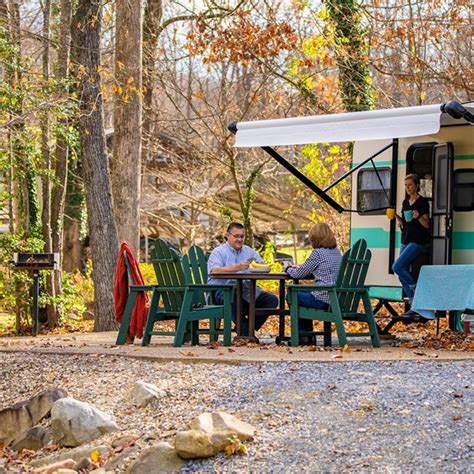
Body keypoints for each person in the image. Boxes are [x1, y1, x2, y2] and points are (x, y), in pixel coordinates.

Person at [207, 222, 278, 338]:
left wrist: (263, 268)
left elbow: (262, 265)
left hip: (245, 290)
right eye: (236, 236)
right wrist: (237, 268)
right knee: (233, 297)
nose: (239, 239)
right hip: (220, 291)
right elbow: (214, 271)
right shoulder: (218, 252)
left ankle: (246, 328)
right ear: (227, 235)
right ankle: (246, 333)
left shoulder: (249, 251)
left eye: (242, 236)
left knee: (271, 300)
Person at [284, 223, 342, 344]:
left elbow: (298, 274)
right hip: (337, 298)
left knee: (292, 295)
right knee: (301, 292)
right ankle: (307, 336)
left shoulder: (318, 253)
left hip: (323, 300)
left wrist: (288, 268)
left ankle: (302, 336)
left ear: (315, 239)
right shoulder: (337, 253)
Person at [392, 173, 432, 322]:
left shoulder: (422, 202)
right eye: (406, 185)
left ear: (416, 185)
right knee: (401, 273)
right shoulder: (405, 202)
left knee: (397, 266)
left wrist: (419, 216)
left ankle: (415, 291)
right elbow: (405, 223)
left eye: (409, 185)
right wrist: (397, 218)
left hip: (417, 241)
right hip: (406, 239)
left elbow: (427, 224)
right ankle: (414, 304)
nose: (407, 187)